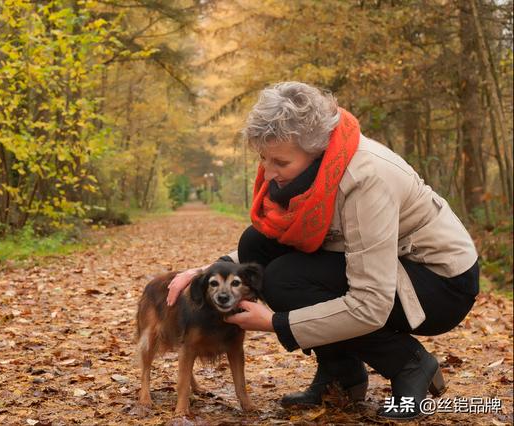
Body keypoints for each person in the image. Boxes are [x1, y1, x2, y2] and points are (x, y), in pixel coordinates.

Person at [166, 81, 479, 420]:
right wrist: (206, 271)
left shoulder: (364, 179)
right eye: (263, 158)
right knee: (254, 244)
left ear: (315, 150)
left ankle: (409, 365)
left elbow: (370, 304)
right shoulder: (318, 171)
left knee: (284, 281)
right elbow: (273, 245)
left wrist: (277, 323)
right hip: (391, 263)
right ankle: (342, 374)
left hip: (440, 281)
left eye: (280, 163)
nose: (268, 174)